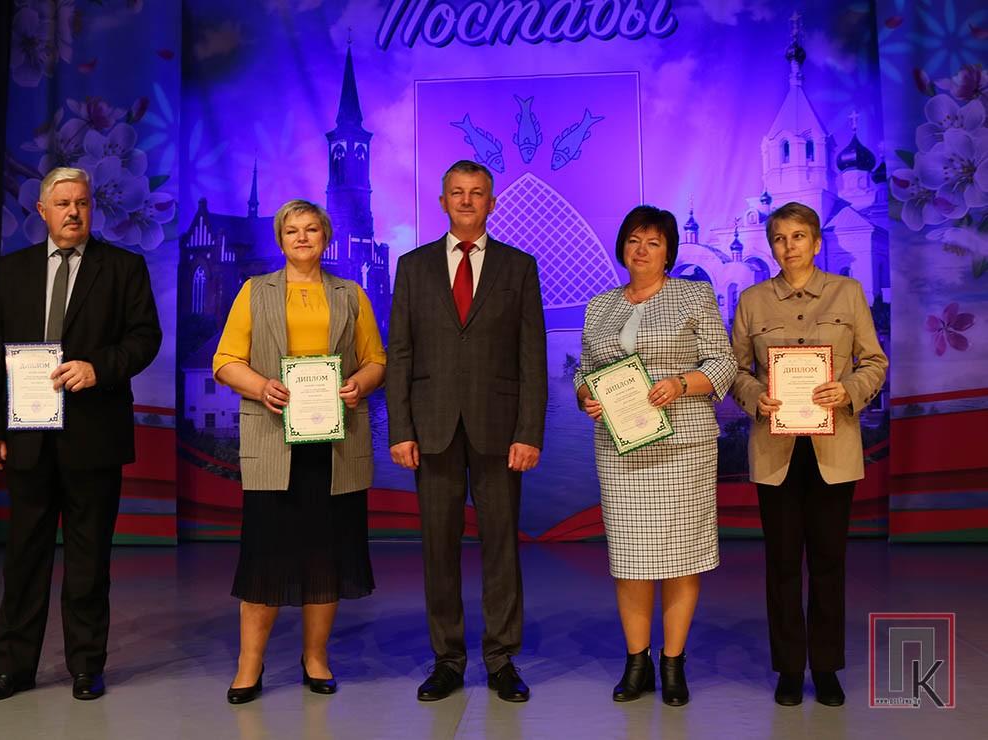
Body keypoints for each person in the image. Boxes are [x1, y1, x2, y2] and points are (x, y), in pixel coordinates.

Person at [0, 167, 162, 702]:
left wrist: (100, 368)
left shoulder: (123, 268)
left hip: (94, 435)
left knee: (88, 560)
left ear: (91, 208)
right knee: (22, 559)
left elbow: (145, 338)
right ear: (42, 211)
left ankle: (86, 666)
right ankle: (13, 669)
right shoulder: (12, 271)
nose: (73, 212)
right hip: (27, 436)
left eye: (82, 202)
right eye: (62, 204)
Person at [386, 160, 547, 703]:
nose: (466, 200)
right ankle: (447, 659)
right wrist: (400, 429)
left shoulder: (519, 267)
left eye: (477, 193)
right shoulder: (412, 267)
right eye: (457, 192)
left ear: (492, 203)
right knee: (438, 548)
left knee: (501, 545)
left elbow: (532, 358)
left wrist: (529, 432)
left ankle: (501, 659)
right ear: (442, 201)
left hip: (500, 431)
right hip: (431, 429)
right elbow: (400, 353)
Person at [212, 199, 385, 704]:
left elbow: (376, 360)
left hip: (335, 446)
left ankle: (316, 658)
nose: (303, 237)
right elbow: (225, 360)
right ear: (280, 239)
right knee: (264, 557)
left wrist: (359, 384)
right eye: (292, 230)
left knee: (325, 557)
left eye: (312, 229)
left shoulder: (351, 294)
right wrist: (261, 385)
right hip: (273, 441)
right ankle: (249, 665)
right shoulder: (254, 291)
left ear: (325, 237)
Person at [574, 205, 737, 707]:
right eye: (633, 240)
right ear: (622, 247)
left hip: (683, 448)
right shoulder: (599, 306)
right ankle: (636, 662)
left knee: (682, 557)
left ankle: (673, 663)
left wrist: (681, 383)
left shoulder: (693, 295)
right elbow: (585, 370)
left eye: (653, 242)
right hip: (621, 451)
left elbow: (724, 361)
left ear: (668, 252)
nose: (641, 250)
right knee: (630, 560)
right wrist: (586, 396)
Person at [730, 202, 887, 707]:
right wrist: (755, 397)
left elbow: (875, 361)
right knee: (780, 564)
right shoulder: (752, 301)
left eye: (798, 236)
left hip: (832, 448)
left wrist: (849, 390)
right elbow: (735, 370)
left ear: (816, 243)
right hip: (774, 450)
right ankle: (789, 668)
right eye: (779, 238)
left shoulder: (848, 292)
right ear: (771, 246)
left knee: (827, 562)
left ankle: (826, 666)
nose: (789, 246)